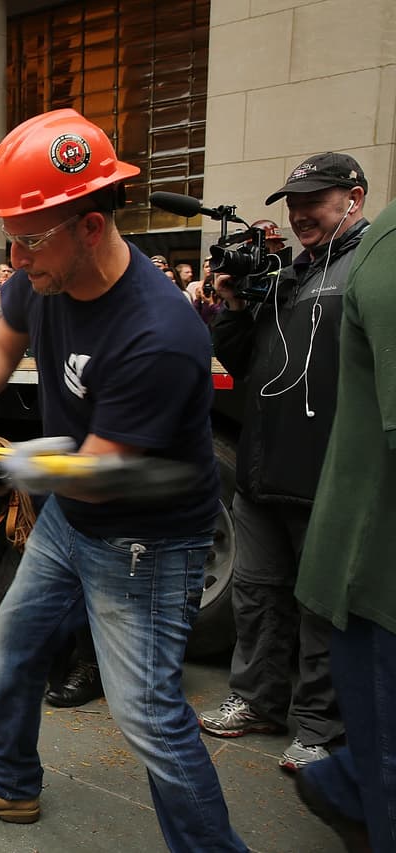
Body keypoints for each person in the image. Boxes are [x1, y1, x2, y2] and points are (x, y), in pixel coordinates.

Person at [0, 108, 245, 851]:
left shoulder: (159, 334)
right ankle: (6, 781)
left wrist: (31, 463)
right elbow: (4, 338)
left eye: (29, 238)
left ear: (90, 226)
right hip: (75, 515)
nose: (14, 257)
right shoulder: (44, 275)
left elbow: (97, 475)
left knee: (146, 713)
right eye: (11, 236)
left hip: (146, 539)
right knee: (16, 637)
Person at [201, 152, 368, 772]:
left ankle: (321, 728)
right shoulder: (289, 276)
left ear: (354, 198)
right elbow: (245, 364)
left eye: (314, 203)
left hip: (327, 474)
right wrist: (233, 306)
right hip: (263, 468)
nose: (300, 216)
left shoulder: (368, 266)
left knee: (321, 609)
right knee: (256, 596)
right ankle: (256, 700)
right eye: (294, 205)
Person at [293, 196, 396, 853]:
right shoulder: (386, 251)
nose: (302, 217)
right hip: (377, 572)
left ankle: (343, 784)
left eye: (315, 202)